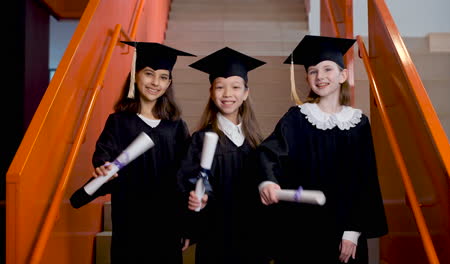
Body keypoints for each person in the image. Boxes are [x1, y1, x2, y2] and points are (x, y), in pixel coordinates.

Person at [257, 35, 388, 264]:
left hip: (345, 233)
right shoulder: (297, 118)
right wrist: (267, 181)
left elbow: (365, 180)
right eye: (313, 71)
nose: (320, 76)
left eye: (328, 69)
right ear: (307, 78)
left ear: (343, 75)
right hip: (303, 230)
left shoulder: (358, 123)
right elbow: (268, 153)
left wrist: (353, 231)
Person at [69, 41, 195, 264]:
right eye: (149, 74)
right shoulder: (118, 122)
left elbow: (185, 176)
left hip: (166, 221)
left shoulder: (176, 126)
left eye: (163, 77)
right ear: (135, 75)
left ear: (169, 83)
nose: (155, 82)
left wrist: (186, 225)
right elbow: (104, 154)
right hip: (130, 217)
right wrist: (103, 166)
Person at [176, 47, 269, 264]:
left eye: (236, 87)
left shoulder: (256, 142)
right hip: (215, 234)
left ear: (246, 93)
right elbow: (185, 181)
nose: (228, 94)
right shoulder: (200, 139)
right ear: (211, 92)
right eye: (220, 87)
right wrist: (196, 196)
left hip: (251, 236)